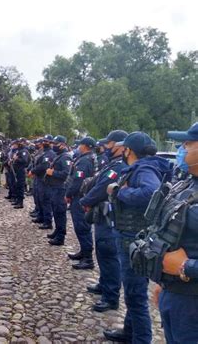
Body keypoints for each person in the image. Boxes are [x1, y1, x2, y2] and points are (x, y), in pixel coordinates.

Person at [103, 131, 172, 343]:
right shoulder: (140, 167)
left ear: (129, 150)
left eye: (124, 148)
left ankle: (141, 339)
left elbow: (150, 192)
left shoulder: (144, 168)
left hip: (133, 239)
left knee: (136, 296)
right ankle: (129, 333)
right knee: (133, 293)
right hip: (130, 236)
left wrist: (119, 192)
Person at [144, 123, 198, 343]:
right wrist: (163, 283)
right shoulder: (187, 185)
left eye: (188, 144)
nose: (181, 149)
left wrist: (187, 268)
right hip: (175, 295)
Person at [80, 130, 128, 312]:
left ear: (120, 145)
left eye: (108, 144)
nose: (105, 147)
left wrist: (85, 201)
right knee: (102, 252)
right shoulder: (113, 163)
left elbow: (102, 188)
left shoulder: (119, 167)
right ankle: (104, 284)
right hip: (102, 214)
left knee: (109, 255)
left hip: (110, 217)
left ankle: (111, 296)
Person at [66, 136, 97, 270]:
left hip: (79, 196)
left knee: (82, 227)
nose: (78, 147)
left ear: (85, 146)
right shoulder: (86, 158)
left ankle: (88, 259)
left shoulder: (84, 161)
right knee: (80, 227)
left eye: (80, 145)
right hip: (80, 195)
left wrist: (69, 194)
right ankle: (83, 252)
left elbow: (77, 181)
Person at [44, 135, 72, 246]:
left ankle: (61, 236)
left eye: (56, 144)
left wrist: (52, 173)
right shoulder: (59, 155)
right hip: (54, 188)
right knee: (55, 211)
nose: (53, 145)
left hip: (60, 189)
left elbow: (66, 174)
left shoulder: (65, 157)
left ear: (63, 144)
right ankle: (57, 230)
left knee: (60, 212)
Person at [11, 138, 30, 209]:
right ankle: (17, 200)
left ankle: (20, 202)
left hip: (21, 170)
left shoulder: (24, 151)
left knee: (20, 186)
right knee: (17, 186)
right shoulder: (19, 151)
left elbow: (24, 160)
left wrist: (16, 159)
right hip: (17, 170)